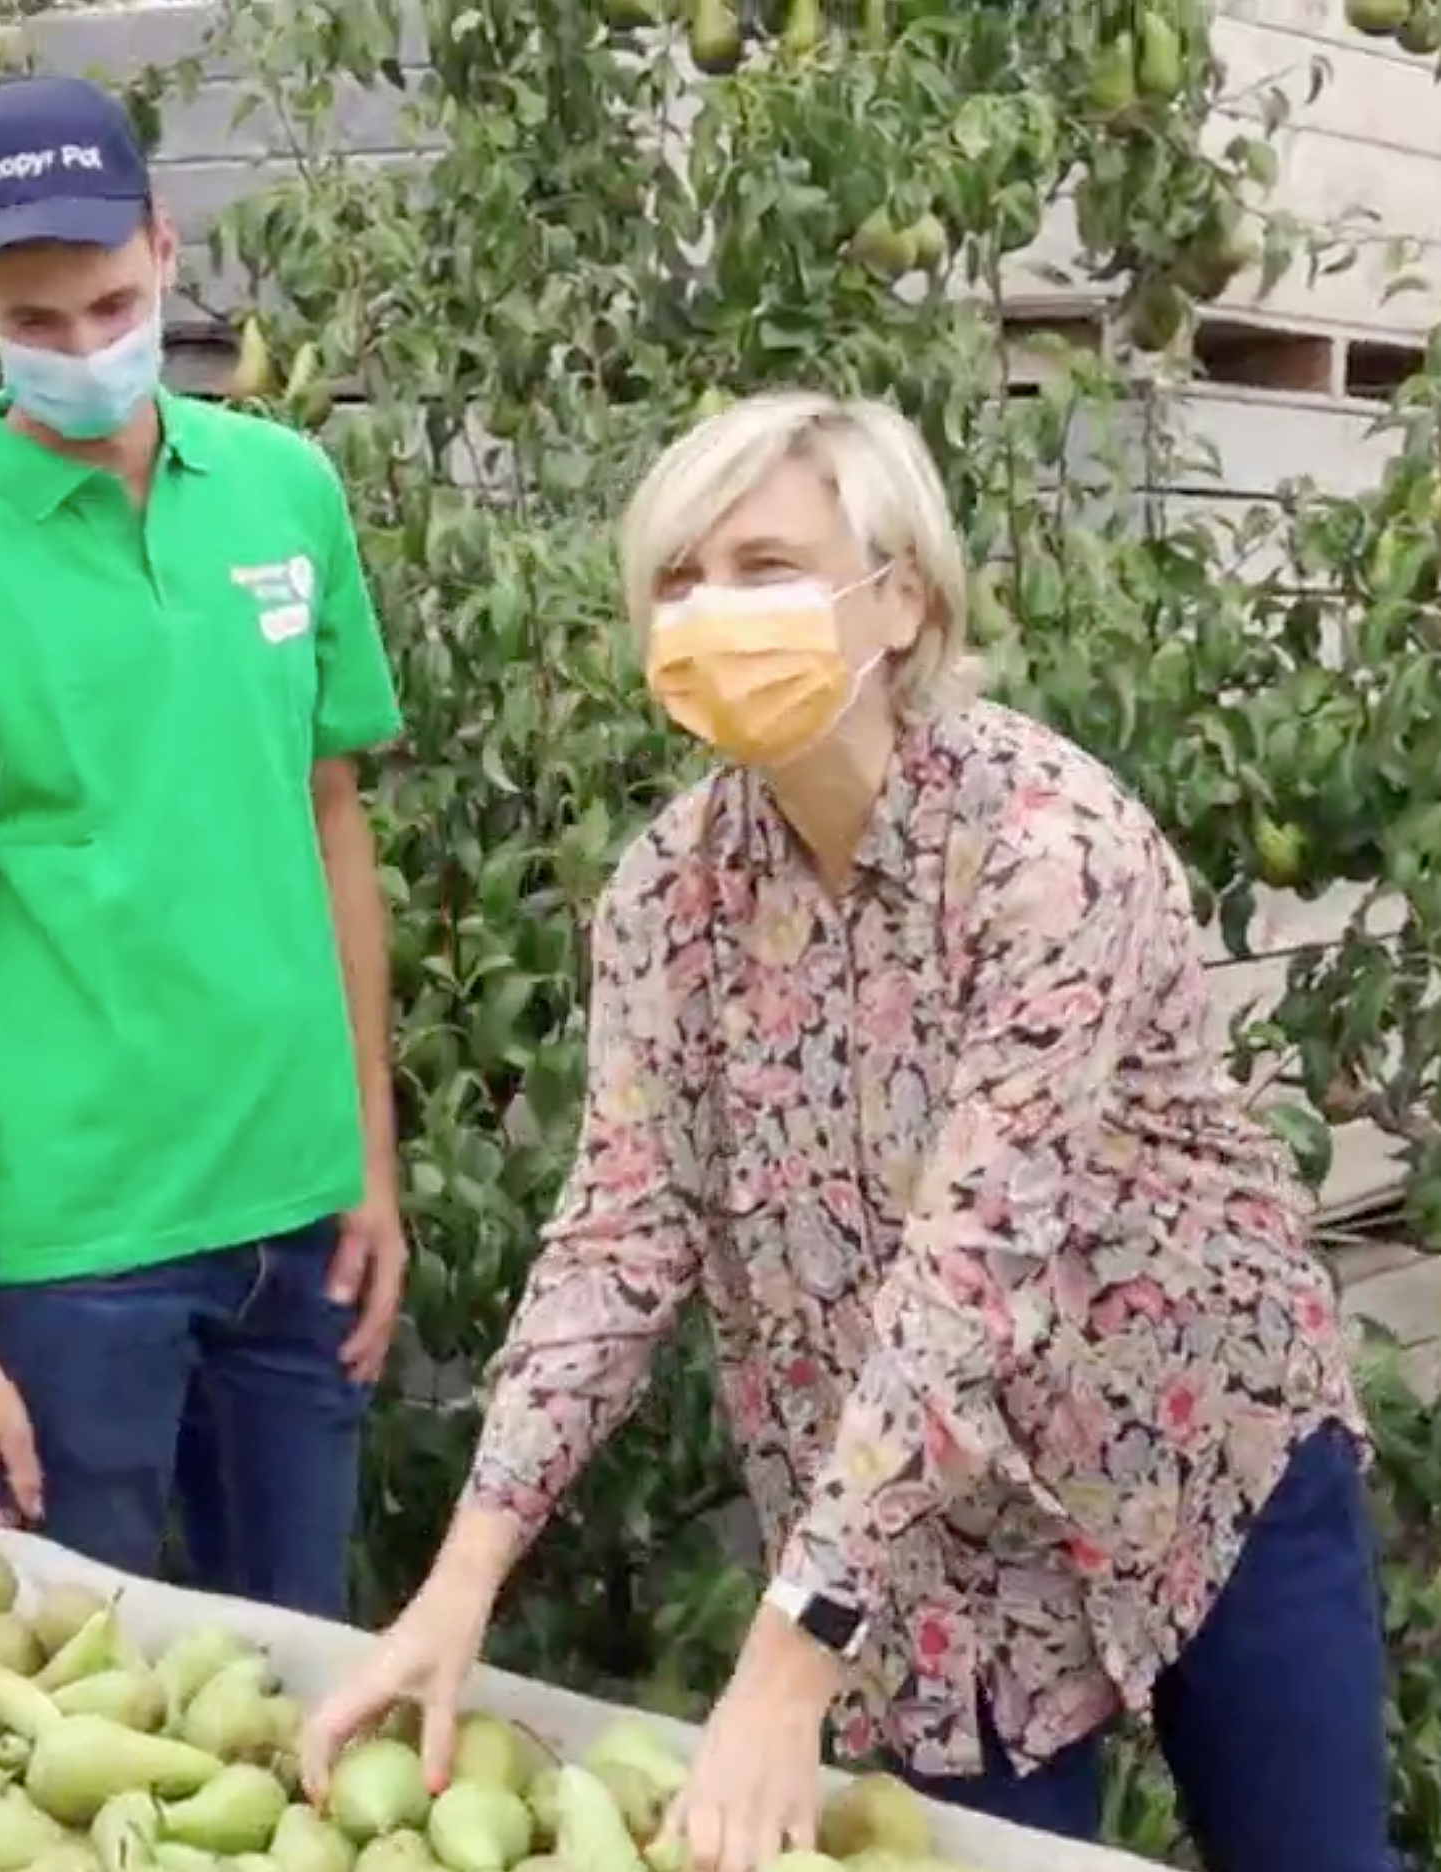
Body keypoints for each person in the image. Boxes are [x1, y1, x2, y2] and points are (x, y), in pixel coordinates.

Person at [298, 392, 1393, 1872]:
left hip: (1191, 1457)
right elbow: (618, 1241)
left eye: (763, 565)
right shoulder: (670, 897)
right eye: (676, 581)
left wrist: (785, 1654)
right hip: (920, 1556)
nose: (709, 611)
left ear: (898, 602)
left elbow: (968, 1279)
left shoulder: (1042, 852)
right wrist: (461, 1579)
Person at [0, 73, 410, 1622]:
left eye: (109, 303)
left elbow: (332, 830)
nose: (81, 348)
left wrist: (369, 1164)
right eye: (35, 322)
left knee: (304, 1681)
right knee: (79, 1710)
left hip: (296, 1215)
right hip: (75, 1269)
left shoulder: (286, 495)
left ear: (166, 242)